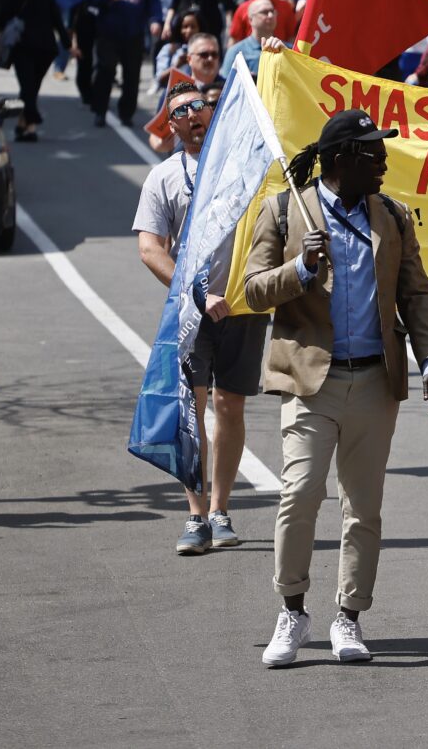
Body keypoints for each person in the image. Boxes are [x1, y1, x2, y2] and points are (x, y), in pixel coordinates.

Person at [242, 109, 428, 667]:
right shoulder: (285, 211)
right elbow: (254, 291)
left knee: (364, 508)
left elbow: (418, 296)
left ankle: (349, 617)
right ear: (340, 161)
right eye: (372, 154)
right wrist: (301, 271)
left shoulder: (395, 217)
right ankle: (292, 610)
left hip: (375, 382)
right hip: (312, 384)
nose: (383, 164)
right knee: (300, 495)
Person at [133, 82, 271, 554]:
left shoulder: (248, 167)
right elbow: (150, 248)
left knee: (231, 407)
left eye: (200, 106)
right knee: (191, 411)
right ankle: (195, 516)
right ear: (171, 127)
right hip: (192, 313)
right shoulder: (165, 177)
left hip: (244, 307)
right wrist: (194, 292)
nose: (194, 114)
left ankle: (221, 509)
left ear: (215, 110)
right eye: (181, 112)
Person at [0, 0, 68, 141]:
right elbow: (56, 17)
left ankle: (31, 119)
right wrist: (66, 41)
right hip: (46, 48)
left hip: (23, 46)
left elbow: (3, 15)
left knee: (27, 87)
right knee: (31, 87)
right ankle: (27, 127)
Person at [89, 0, 163, 128]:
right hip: (108, 34)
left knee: (132, 76)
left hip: (133, 34)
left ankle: (126, 113)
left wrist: (155, 20)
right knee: (105, 72)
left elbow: (152, 1)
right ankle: (100, 111)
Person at [226, 0, 280, 79]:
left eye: (272, 11)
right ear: (251, 19)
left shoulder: (287, 49)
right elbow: (225, 84)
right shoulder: (236, 53)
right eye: (264, 12)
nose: (270, 15)